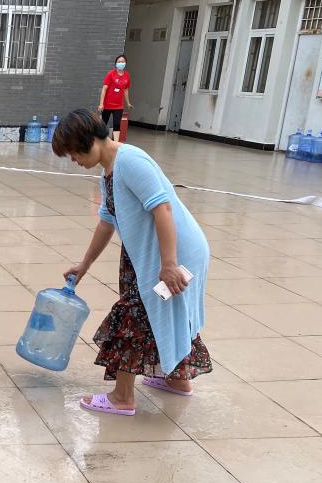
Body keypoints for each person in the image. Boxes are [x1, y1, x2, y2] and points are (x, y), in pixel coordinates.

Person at [52, 109, 211, 416]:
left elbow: (162, 209)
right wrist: (84, 265)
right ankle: (177, 380)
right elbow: (106, 222)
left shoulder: (130, 161)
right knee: (164, 312)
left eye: (73, 152)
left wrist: (169, 265)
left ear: (89, 140)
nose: (73, 159)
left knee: (133, 314)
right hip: (154, 253)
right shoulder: (108, 171)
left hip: (178, 254)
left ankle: (122, 397)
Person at [98, 54, 132, 142]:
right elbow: (104, 89)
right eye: (119, 61)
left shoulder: (127, 75)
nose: (121, 63)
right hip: (107, 104)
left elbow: (126, 90)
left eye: (122, 61)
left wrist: (128, 103)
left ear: (125, 63)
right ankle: (100, 140)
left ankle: (116, 143)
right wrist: (101, 104)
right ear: (116, 63)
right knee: (103, 123)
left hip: (119, 105)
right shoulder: (111, 74)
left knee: (117, 124)